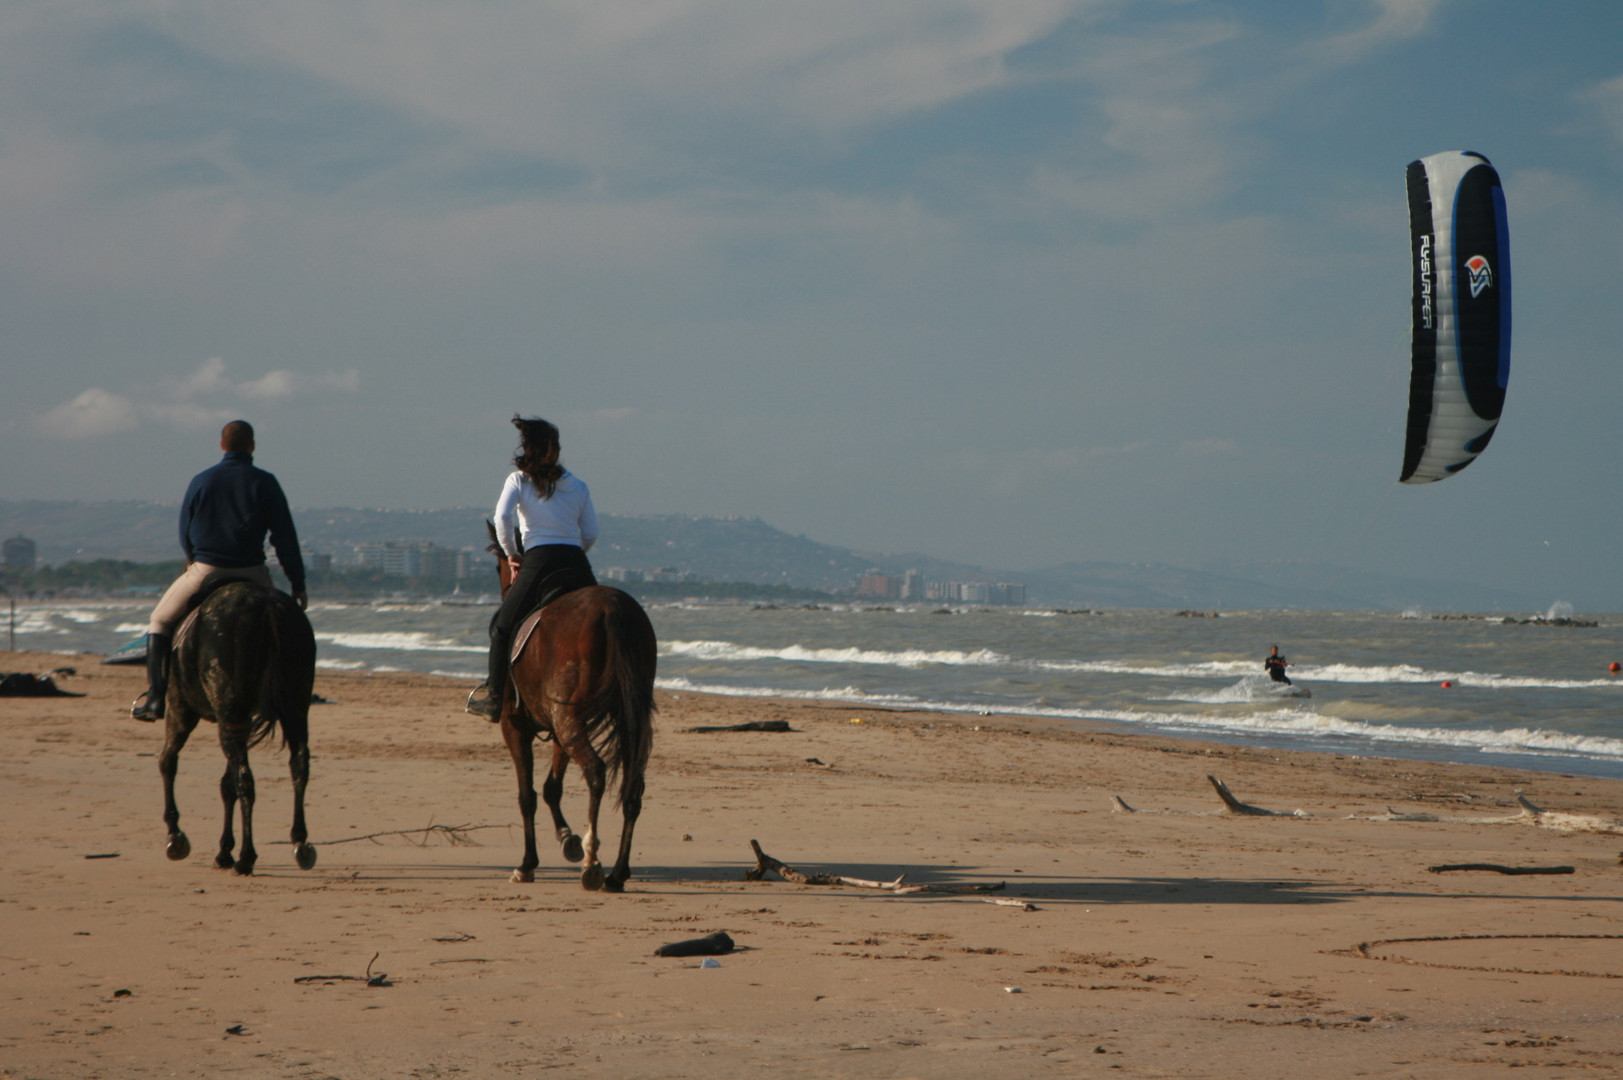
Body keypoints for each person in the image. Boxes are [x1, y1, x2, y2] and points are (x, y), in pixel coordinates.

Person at [131, 420, 307, 721]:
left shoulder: (202, 480)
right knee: (285, 628)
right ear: (252, 446)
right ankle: (288, 694)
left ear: (222, 445)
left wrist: (193, 559)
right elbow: (285, 539)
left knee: (159, 620)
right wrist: (298, 583)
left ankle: (156, 698)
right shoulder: (265, 482)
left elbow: (185, 531)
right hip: (252, 572)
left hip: (207, 569)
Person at [466, 415, 599, 722]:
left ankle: (495, 700)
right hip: (576, 561)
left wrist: (512, 555)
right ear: (557, 448)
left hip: (538, 560)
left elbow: (502, 519)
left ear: (527, 447)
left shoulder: (519, 481)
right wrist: (575, 553)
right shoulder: (578, 485)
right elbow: (591, 533)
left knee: (502, 628)